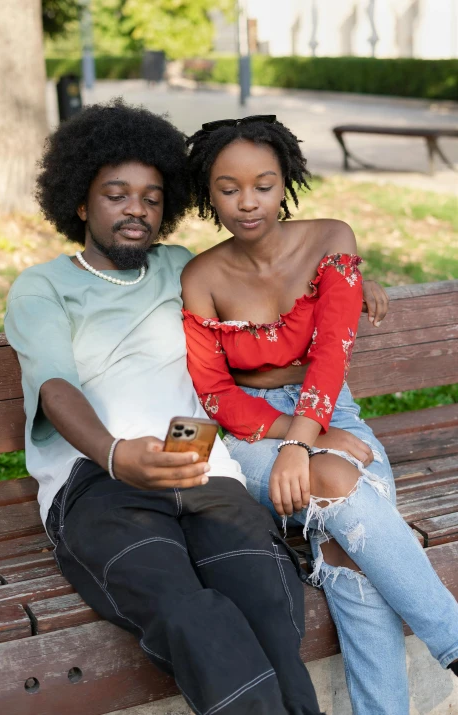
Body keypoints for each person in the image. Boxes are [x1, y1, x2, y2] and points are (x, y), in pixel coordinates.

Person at [4, 99, 324, 715]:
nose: (136, 210)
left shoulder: (182, 267)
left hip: (201, 468)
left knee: (265, 595)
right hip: (98, 483)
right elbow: (55, 387)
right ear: (79, 202)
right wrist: (117, 456)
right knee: (188, 612)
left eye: (151, 197)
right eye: (116, 194)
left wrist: (349, 279)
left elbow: (277, 274)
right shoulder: (43, 286)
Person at [181, 114, 458, 715]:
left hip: (334, 411)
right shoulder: (201, 276)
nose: (247, 203)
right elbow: (214, 394)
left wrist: (312, 434)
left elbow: (331, 356)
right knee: (335, 481)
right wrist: (299, 440)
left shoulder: (332, 238)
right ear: (209, 192)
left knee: (344, 548)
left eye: (263, 184)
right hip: (250, 433)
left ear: (287, 182)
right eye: (228, 189)